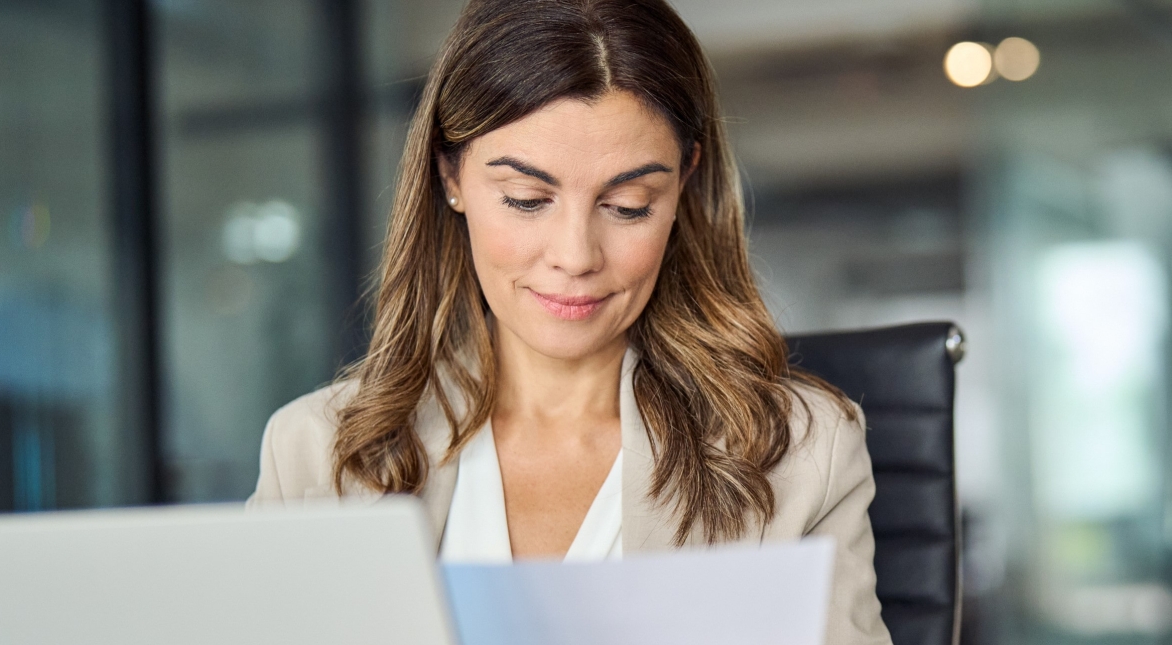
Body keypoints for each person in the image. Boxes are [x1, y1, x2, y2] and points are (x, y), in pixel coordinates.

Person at [247, 0, 891, 642]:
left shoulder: (803, 456)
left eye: (628, 205)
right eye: (527, 200)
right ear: (451, 177)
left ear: (682, 187)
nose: (576, 257)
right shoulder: (314, 456)